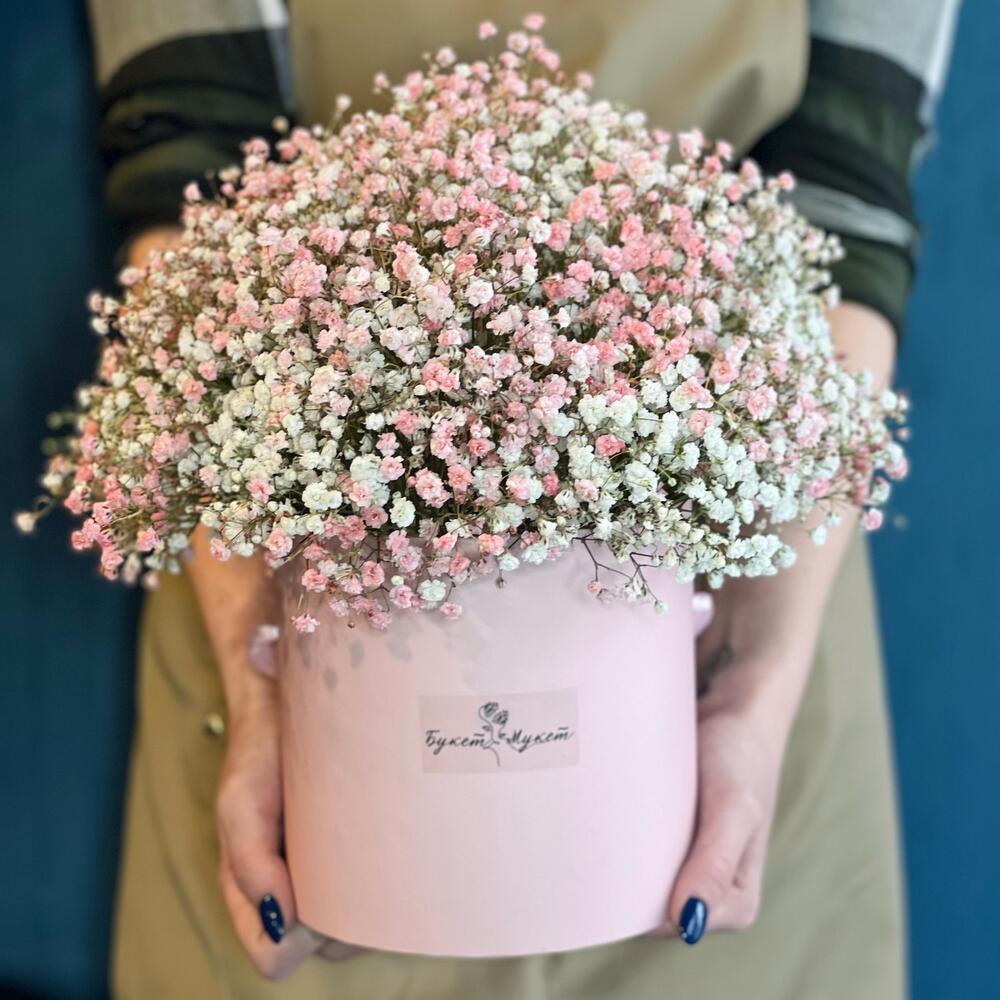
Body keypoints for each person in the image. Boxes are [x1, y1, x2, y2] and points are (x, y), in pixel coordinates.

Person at [85, 2, 959, 997]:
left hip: (741, 627)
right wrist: (259, 685)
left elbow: (848, 187)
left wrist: (754, 688)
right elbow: (184, 155)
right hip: (296, 647)